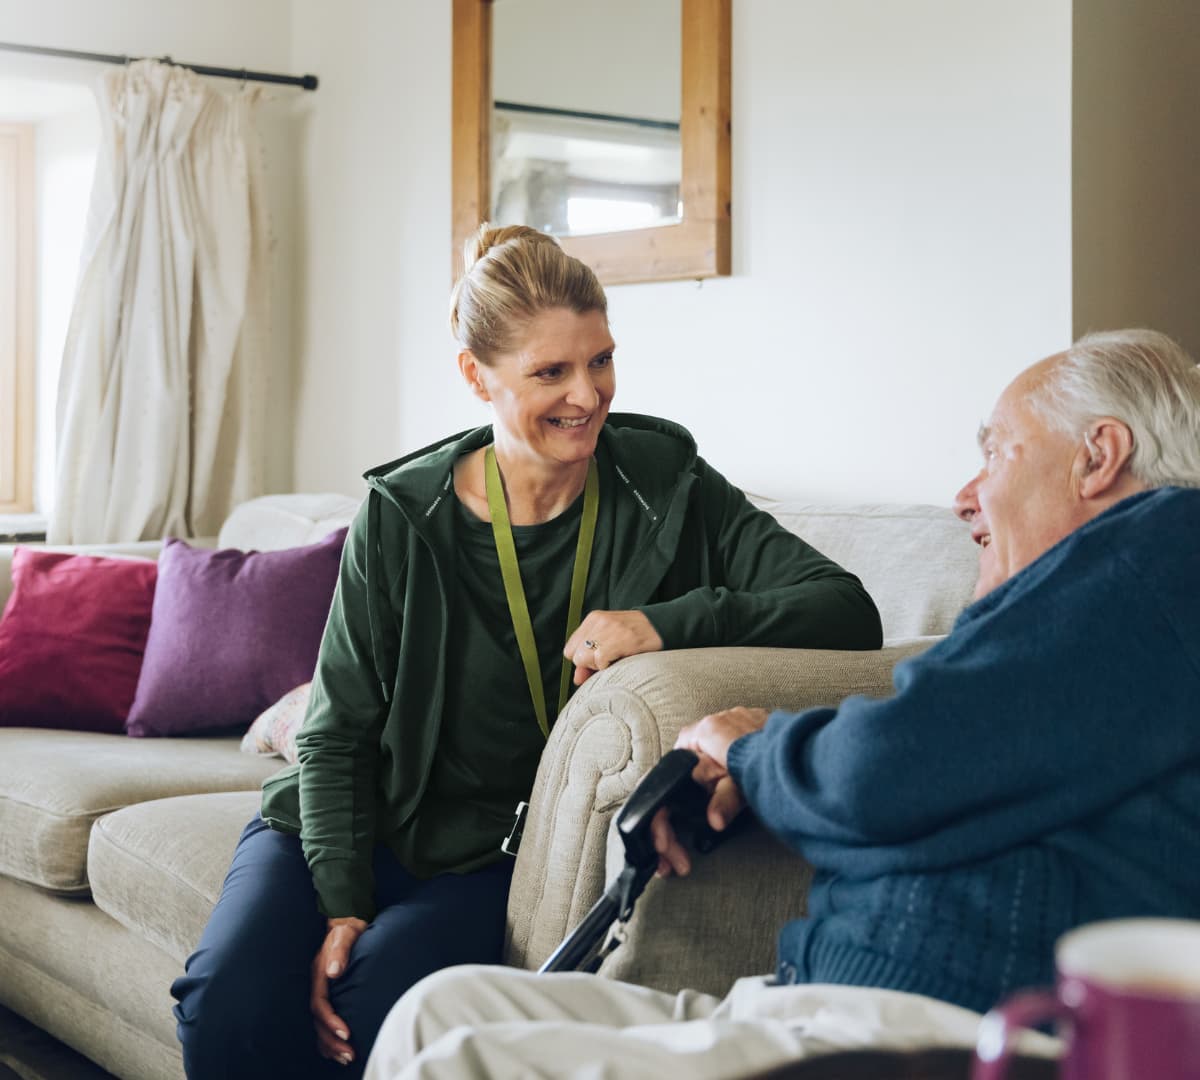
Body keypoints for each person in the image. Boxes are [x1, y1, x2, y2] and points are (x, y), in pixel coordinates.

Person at [362, 328, 1200, 1080]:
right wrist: (770, 755)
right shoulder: (1075, 625)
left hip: (919, 1029)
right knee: (441, 1007)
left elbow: (882, 767)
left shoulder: (1160, 557)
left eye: (1000, 453)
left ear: (1100, 455)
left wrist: (752, 751)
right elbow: (944, 745)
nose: (965, 495)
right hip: (815, 999)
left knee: (460, 1060)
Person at [170, 223, 883, 1078]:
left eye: (602, 361)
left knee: (369, 1012)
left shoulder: (667, 483)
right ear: (477, 376)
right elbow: (337, 729)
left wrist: (663, 625)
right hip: (347, 825)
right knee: (227, 1009)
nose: (588, 395)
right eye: (551, 371)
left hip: (486, 858)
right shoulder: (403, 515)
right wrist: (340, 903)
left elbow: (844, 608)